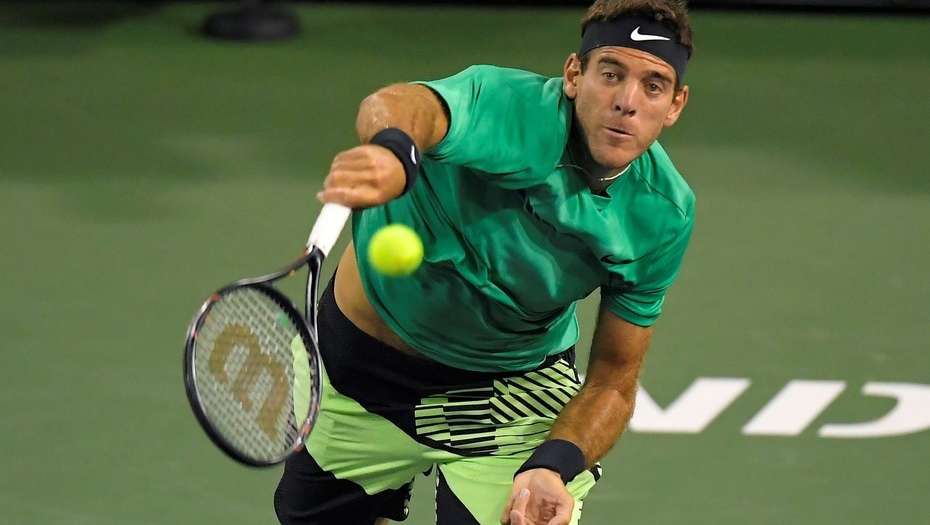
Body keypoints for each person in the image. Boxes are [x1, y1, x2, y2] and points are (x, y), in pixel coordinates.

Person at [274, 0, 695, 523]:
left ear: (675, 104)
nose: (627, 102)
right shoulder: (508, 106)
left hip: (509, 395)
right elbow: (402, 104)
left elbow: (612, 379)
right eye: (610, 74)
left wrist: (554, 466)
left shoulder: (662, 214)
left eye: (653, 86)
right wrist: (392, 151)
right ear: (573, 75)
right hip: (357, 376)